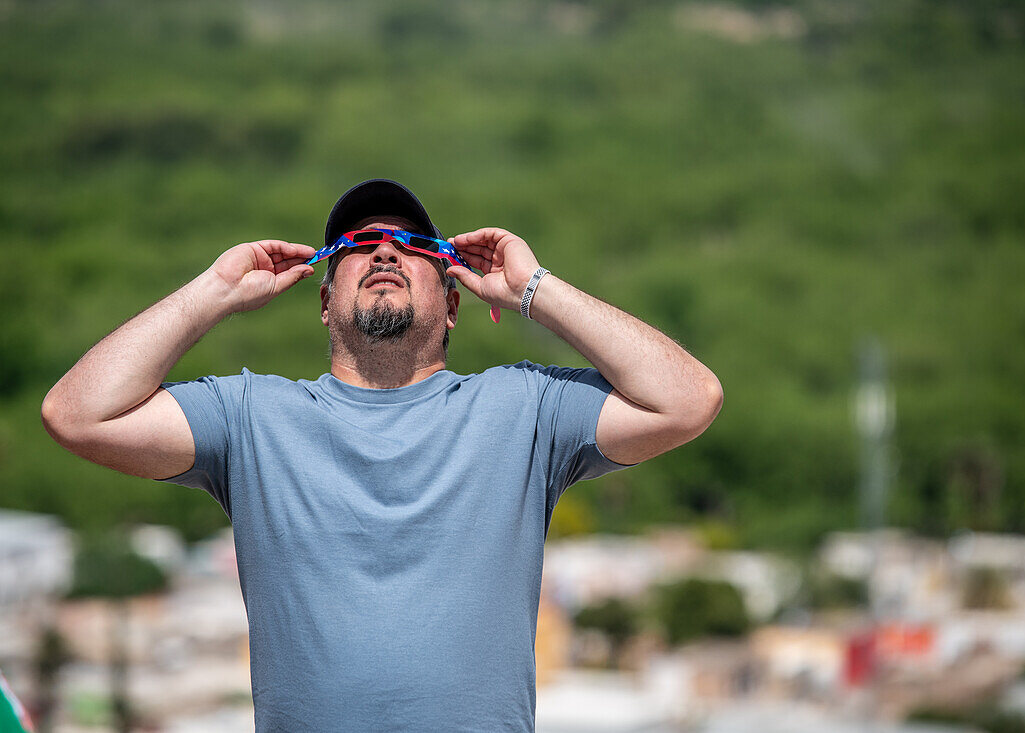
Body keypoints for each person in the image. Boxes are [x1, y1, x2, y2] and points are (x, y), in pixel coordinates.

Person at [41, 179, 723, 732]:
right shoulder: (250, 418)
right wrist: (213, 294)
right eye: (358, 245)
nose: (384, 252)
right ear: (325, 299)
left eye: (410, 243)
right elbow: (76, 414)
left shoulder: (527, 407)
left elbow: (689, 400)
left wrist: (533, 292)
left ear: (454, 302)